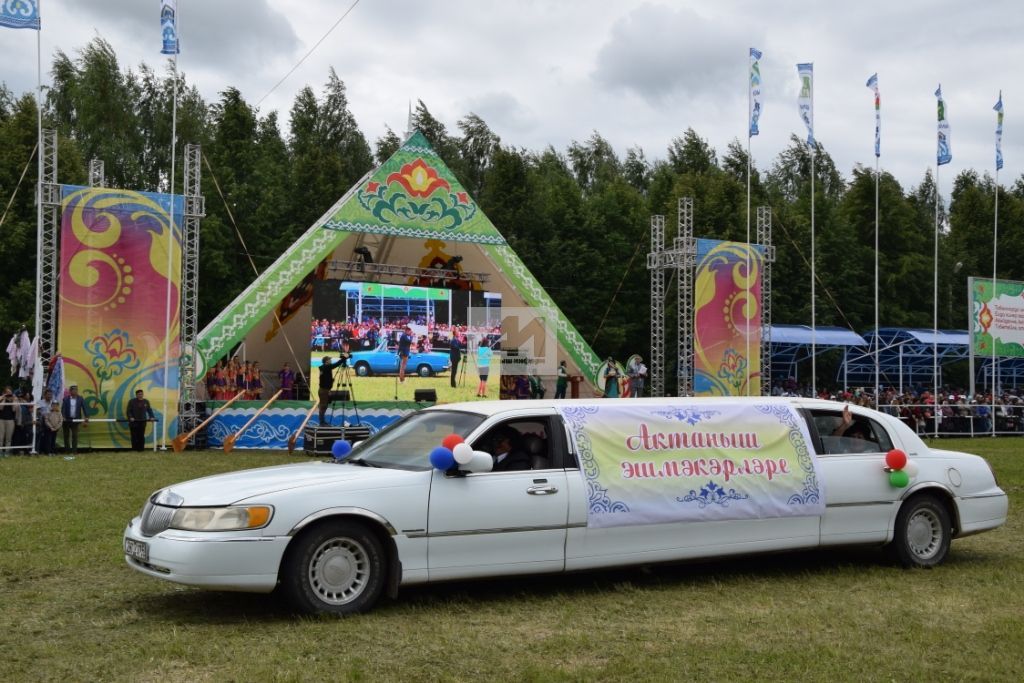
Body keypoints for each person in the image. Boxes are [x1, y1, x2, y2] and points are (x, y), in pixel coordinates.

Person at [61, 384, 89, 454]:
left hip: (75, 420)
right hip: (67, 420)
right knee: (66, 436)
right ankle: (67, 451)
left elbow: (85, 408)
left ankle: (74, 451)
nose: (75, 391)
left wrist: (86, 416)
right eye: (74, 390)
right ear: (70, 391)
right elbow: (63, 409)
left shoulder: (80, 398)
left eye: (76, 390)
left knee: (75, 436)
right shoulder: (66, 399)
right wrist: (63, 416)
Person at [317, 355, 344, 423]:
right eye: (329, 359)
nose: (331, 361)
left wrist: (330, 381)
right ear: (327, 361)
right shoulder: (327, 367)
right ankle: (322, 422)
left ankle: (322, 421)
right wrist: (344, 358)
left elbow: (324, 378)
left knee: (324, 406)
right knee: (323, 406)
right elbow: (336, 364)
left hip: (323, 390)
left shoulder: (324, 368)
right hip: (324, 390)